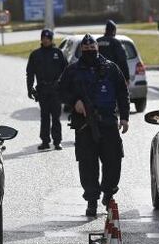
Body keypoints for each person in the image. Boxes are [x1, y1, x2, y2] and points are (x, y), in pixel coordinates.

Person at [60, 34, 129, 217]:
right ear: (82, 50)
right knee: (87, 164)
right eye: (86, 49)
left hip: (108, 123)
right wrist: (74, 102)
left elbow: (123, 93)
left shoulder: (111, 68)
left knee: (113, 162)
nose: (90, 51)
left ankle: (108, 193)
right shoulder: (73, 70)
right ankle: (92, 201)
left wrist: (125, 118)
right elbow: (61, 91)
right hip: (84, 126)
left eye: (93, 49)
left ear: (97, 49)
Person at [26, 29, 67, 151]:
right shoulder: (35, 54)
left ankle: (57, 141)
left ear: (51, 39)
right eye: (43, 38)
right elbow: (30, 73)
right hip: (42, 90)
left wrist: (62, 86)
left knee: (56, 117)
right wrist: (30, 88)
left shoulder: (58, 53)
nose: (45, 40)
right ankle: (45, 141)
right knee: (44, 117)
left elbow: (66, 71)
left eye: (48, 38)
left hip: (56, 90)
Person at [97, 20, 130, 84]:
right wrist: (126, 78)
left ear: (106, 30)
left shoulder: (97, 41)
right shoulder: (116, 42)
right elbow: (122, 60)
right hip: (112, 76)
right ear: (114, 31)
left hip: (98, 76)